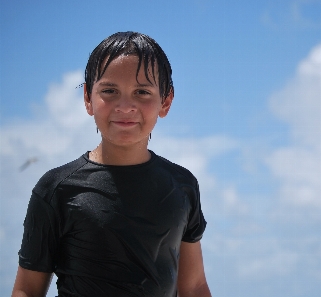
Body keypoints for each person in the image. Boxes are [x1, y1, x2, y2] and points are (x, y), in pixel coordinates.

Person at [11, 31, 211, 297]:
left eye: (142, 92)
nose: (125, 106)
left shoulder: (182, 186)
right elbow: (27, 290)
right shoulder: (56, 189)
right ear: (87, 98)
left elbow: (194, 286)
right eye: (109, 91)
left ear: (166, 101)